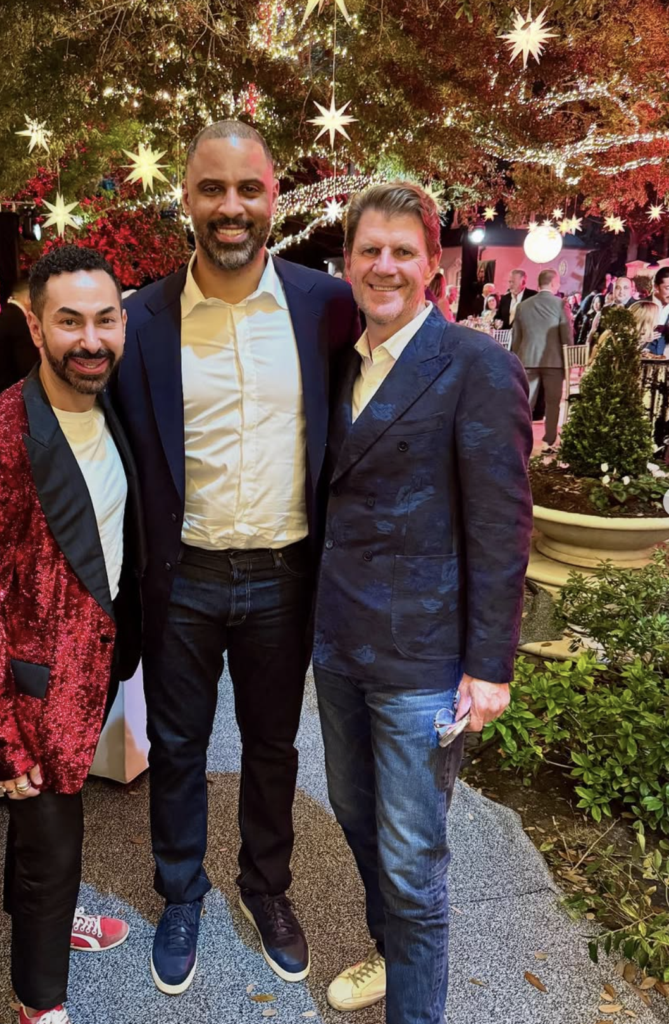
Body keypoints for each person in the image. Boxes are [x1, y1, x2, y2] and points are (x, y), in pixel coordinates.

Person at [114, 120, 361, 996]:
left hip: (286, 572)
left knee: (272, 746)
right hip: (180, 576)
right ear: (184, 199)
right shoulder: (139, 318)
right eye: (211, 189)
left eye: (247, 190)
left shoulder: (325, 306)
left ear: (273, 198)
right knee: (177, 748)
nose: (230, 208)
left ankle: (267, 888)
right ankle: (181, 890)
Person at [312, 181, 533, 1023]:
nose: (385, 265)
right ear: (347, 263)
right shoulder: (342, 364)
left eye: (404, 251)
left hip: (423, 661)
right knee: (354, 815)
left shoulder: (477, 366)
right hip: (338, 645)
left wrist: (489, 666)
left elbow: (501, 528)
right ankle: (390, 949)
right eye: (370, 249)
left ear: (434, 268)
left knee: (413, 861)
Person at [0, 245, 144, 1024]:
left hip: (89, 671)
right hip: (29, 692)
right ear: (35, 324)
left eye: (104, 320)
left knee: (43, 830)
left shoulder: (109, 407)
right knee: (53, 842)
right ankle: (38, 1002)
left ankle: (41, 932)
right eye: (69, 322)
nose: (90, 340)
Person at [512, 269, 573, 453]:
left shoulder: (523, 306)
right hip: (554, 361)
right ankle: (549, 439)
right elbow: (567, 335)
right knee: (553, 402)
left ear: (539, 284)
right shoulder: (561, 304)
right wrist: (569, 359)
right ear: (554, 284)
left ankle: (520, 438)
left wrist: (516, 359)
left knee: (525, 402)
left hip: (527, 359)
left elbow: (516, 337)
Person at [0, 277, 40, 397]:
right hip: (17, 395)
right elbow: (26, 366)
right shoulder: (20, 322)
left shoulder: (2, 317)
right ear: (28, 298)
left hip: (2, 392)